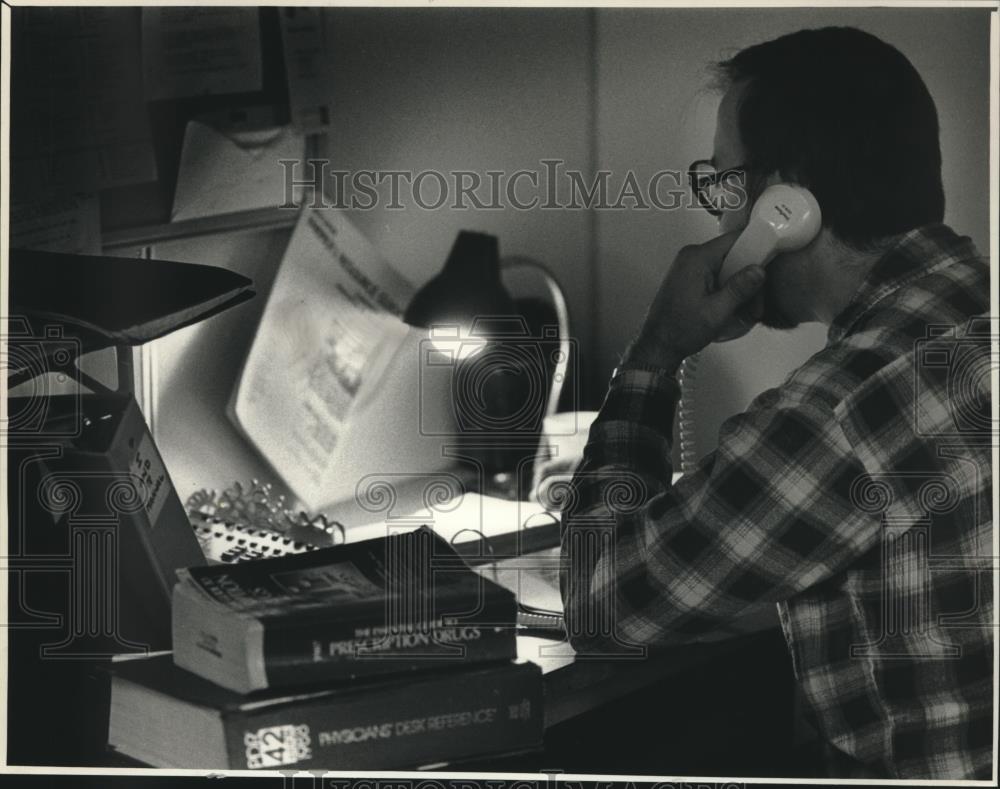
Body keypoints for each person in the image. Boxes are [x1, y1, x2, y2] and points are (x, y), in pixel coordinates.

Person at [558, 26, 992, 780]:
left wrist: (657, 352)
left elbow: (602, 604)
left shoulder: (845, 412)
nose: (722, 220)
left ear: (785, 205)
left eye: (727, 183)